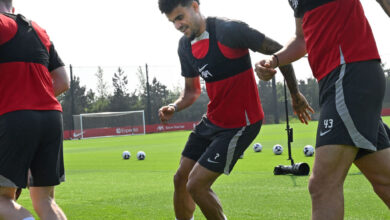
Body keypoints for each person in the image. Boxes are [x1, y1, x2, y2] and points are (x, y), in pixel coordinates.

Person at [158, 0, 313, 219]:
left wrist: (295, 94)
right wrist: (174, 106)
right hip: (213, 120)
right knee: (180, 179)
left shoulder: (229, 30)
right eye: (172, 21)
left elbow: (278, 50)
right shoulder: (184, 47)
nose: (177, 25)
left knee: (197, 185)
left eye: (179, 17)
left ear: (194, 6)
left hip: (242, 123)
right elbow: (191, 92)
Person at [255, 0, 390, 219]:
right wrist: (275, 59)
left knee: (322, 184)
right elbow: (301, 39)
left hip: (349, 73)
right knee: (385, 179)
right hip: (337, 80)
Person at [0, 0, 69, 219]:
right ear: (11, 7)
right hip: (51, 118)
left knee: (2, 200)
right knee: (45, 200)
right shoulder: (38, 29)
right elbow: (63, 80)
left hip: (15, 118)